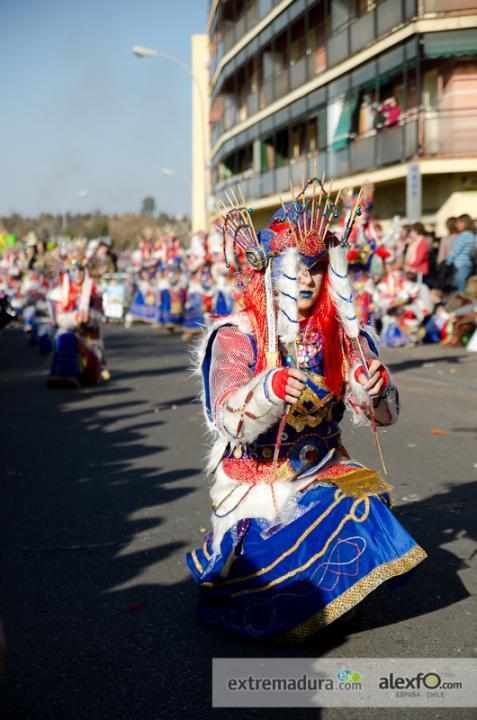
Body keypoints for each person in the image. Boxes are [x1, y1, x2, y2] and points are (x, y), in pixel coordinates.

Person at [186, 178, 427, 642]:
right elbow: (226, 416)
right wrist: (270, 389)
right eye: (294, 267)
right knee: (261, 585)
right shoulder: (237, 335)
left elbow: (383, 415)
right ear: (269, 272)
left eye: (316, 267)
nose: (307, 279)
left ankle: (325, 597)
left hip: (323, 467)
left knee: (363, 496)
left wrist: (372, 388)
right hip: (259, 485)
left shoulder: (342, 333)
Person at [446, 214, 476, 292]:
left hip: (461, 265)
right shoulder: (472, 234)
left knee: (460, 291)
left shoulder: (465, 235)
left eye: (460, 222)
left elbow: (455, 251)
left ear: (466, 223)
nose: (457, 225)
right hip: (466, 265)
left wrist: (446, 263)